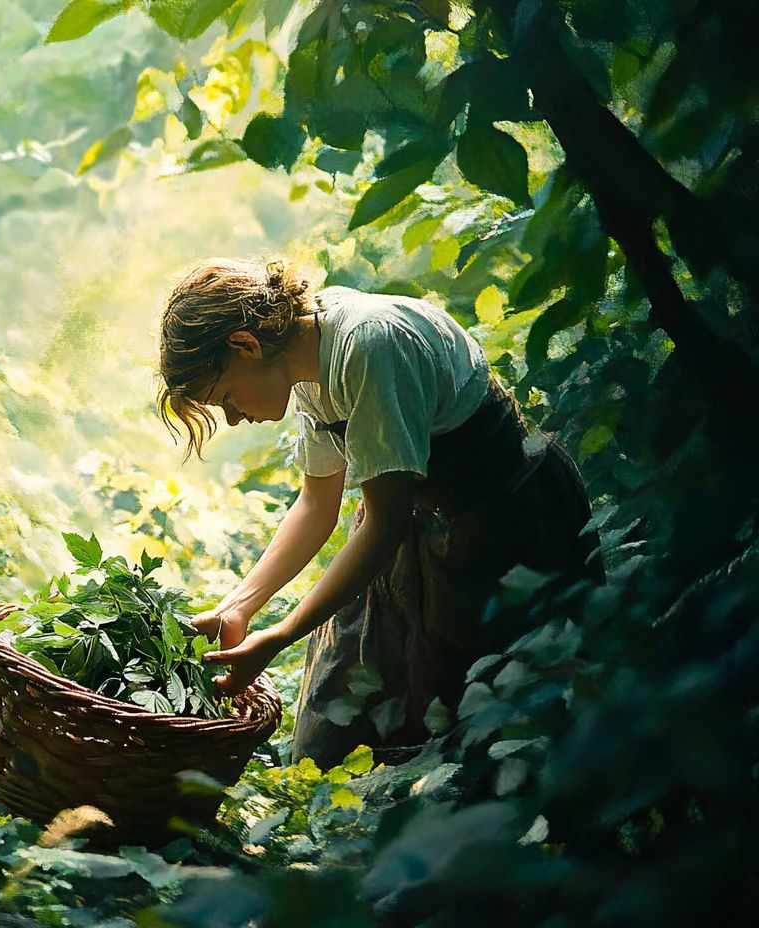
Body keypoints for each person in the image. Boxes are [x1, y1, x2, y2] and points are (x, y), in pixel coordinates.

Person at [157, 258, 603, 768]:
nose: (234, 417)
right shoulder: (301, 362)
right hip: (416, 522)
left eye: (226, 397)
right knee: (345, 714)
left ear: (246, 345)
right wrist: (239, 607)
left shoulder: (369, 345)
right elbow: (315, 504)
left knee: (497, 721)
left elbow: (384, 524)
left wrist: (279, 637)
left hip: (506, 519)